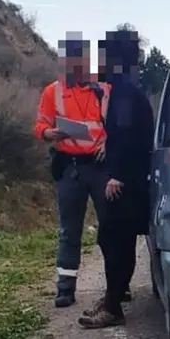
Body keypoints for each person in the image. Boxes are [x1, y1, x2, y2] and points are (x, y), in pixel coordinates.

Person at [79, 30, 154, 328]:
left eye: (103, 56)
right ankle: (113, 297)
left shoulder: (124, 92)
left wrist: (117, 176)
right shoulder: (127, 89)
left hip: (126, 182)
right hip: (132, 178)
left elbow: (126, 136)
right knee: (115, 240)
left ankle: (113, 306)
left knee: (115, 241)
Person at [34, 35, 112, 308]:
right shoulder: (52, 92)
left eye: (81, 61)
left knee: (110, 227)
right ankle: (65, 289)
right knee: (70, 230)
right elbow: (40, 125)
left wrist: (109, 142)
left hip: (100, 166)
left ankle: (117, 286)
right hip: (70, 166)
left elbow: (118, 124)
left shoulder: (104, 89)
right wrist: (49, 133)